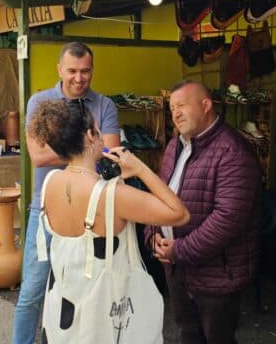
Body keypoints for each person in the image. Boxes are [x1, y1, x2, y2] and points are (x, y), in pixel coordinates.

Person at [30, 99, 189, 341]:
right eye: (98, 128)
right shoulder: (112, 195)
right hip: (104, 312)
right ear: (90, 135)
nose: (102, 134)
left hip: (64, 305)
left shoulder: (50, 182)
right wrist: (140, 169)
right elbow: (179, 213)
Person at [13, 41, 120, 344]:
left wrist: (80, 150)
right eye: (72, 71)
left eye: (85, 71)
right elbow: (38, 156)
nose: (79, 78)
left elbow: (111, 151)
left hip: (91, 210)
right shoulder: (40, 102)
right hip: (45, 210)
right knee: (32, 291)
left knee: (85, 291)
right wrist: (88, 149)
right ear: (59, 69)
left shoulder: (104, 105)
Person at [147, 80, 261, 344]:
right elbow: (160, 196)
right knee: (189, 334)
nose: (175, 114)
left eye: (182, 106)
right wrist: (153, 235)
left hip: (216, 274)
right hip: (177, 269)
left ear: (206, 105)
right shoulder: (175, 146)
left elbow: (228, 220)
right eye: (172, 108)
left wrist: (178, 250)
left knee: (217, 338)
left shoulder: (232, 151)